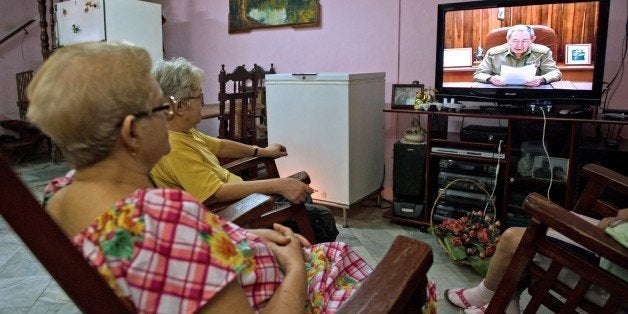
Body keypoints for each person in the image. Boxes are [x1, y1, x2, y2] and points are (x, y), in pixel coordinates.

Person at [26, 41, 372, 313]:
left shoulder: (59, 193)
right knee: (361, 267)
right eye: (161, 108)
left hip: (248, 258)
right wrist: (295, 269)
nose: (170, 115)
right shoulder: (168, 217)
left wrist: (241, 235)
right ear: (132, 132)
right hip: (288, 290)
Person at [149, 57, 338, 243]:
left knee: (303, 199)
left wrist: (262, 152)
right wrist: (279, 184)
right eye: (200, 96)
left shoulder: (184, 132)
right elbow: (218, 193)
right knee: (321, 218)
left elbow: (221, 145)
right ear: (180, 106)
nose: (203, 103)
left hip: (242, 203)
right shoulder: (173, 148)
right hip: (236, 216)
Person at [445, 209, 628, 313]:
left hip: (613, 272)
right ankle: (507, 303)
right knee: (557, 217)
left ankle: (490, 297)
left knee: (513, 239)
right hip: (617, 246)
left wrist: (616, 222)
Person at [473, 24, 562, 87]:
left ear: (532, 40)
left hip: (532, 93)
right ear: (507, 39)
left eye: (524, 41)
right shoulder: (493, 53)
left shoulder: (543, 52)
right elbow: (478, 74)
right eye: (515, 41)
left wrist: (541, 79)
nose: (519, 46)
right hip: (501, 93)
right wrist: (491, 79)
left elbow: (556, 73)